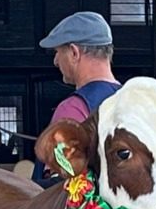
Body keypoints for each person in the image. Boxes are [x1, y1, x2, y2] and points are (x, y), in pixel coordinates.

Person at [35, 10, 121, 186]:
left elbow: (61, 182)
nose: (56, 61)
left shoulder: (74, 108)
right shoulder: (132, 100)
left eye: (58, 52)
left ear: (74, 53)